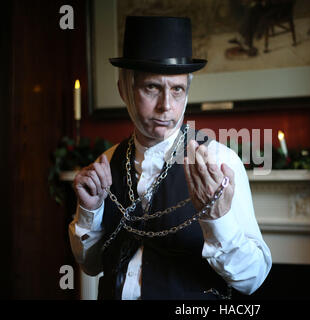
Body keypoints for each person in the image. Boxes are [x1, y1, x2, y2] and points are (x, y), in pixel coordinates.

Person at [68, 16, 272, 300]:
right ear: (124, 90)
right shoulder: (107, 162)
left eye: (177, 89)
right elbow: (90, 266)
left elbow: (253, 279)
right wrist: (89, 212)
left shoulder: (220, 162)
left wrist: (218, 219)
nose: (166, 106)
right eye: (152, 87)